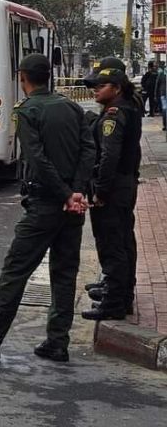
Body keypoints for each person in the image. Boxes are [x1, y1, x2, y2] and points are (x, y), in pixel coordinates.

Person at [0, 53, 95, 363]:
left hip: (45, 204)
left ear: (23, 78)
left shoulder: (29, 111)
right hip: (72, 207)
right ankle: (57, 342)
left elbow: (37, 160)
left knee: (15, 273)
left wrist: (63, 194)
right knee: (64, 273)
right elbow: (88, 150)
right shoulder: (72, 107)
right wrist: (78, 192)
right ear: (49, 76)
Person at [80, 57, 142, 321]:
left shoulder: (114, 114)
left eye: (100, 86)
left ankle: (114, 302)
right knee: (123, 240)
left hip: (114, 186)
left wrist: (100, 191)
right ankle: (120, 293)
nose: (95, 90)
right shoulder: (127, 106)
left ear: (116, 88)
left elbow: (109, 156)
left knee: (112, 243)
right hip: (124, 183)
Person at [157, 62, 167, 131]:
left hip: (163, 93)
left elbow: (157, 85)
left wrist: (155, 95)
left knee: (164, 109)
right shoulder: (161, 74)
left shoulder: (161, 74)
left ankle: (165, 125)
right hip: (163, 93)